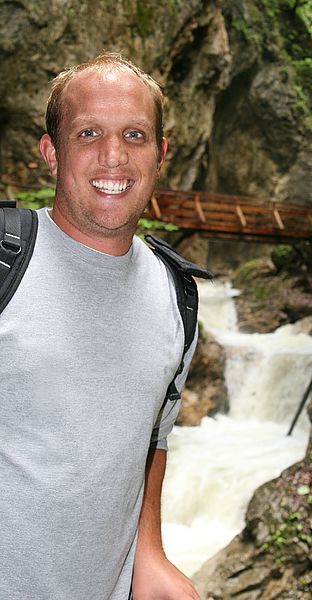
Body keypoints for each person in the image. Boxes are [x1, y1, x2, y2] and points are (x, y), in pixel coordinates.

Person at [0, 53, 201, 600]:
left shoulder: (177, 296)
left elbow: (153, 436)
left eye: (134, 134)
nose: (113, 156)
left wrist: (151, 552)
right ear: (51, 151)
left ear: (160, 153)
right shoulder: (6, 261)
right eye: (88, 132)